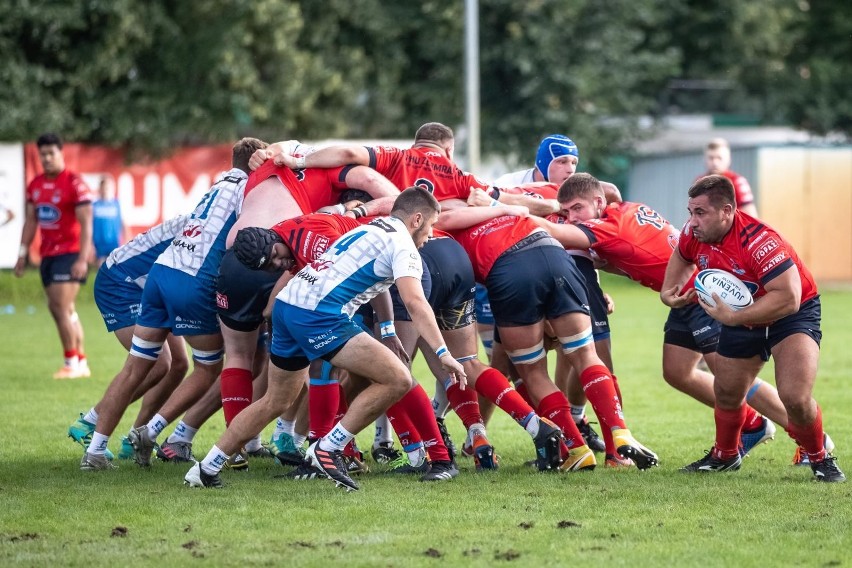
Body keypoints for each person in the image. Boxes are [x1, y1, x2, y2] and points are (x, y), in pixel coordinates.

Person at [185, 187, 467, 491]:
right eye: (429, 226)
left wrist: (387, 331)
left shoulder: (371, 228)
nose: (430, 234)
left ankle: (206, 468)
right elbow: (415, 302)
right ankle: (327, 448)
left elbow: (375, 283)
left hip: (287, 306)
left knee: (275, 400)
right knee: (397, 377)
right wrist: (442, 352)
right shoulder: (404, 247)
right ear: (416, 219)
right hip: (318, 315)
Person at [533, 173, 791, 464]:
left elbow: (551, 232)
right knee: (678, 372)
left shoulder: (608, 226)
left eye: (577, 208)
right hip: (684, 296)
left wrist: (509, 207)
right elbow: (636, 249)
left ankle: (810, 439)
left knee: (733, 377)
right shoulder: (623, 209)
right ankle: (753, 424)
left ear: (598, 202)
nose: (570, 218)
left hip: (701, 294)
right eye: (566, 212)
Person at [78, 137, 267, 471]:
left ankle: (94, 451)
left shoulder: (219, 183)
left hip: (160, 275)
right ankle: (151, 432)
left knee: (145, 365)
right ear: (258, 164)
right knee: (211, 367)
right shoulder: (249, 192)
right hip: (188, 280)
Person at [438, 203, 659, 472]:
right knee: (585, 354)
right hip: (555, 253)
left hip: (509, 269)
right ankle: (619, 430)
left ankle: (576, 448)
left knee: (532, 372)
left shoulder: (443, 230)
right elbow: (604, 191)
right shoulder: (502, 206)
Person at [660, 174, 844, 482]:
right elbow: (682, 254)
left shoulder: (759, 242)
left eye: (700, 212)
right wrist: (670, 290)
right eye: (691, 212)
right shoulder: (695, 234)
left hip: (791, 315)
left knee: (795, 398)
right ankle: (725, 456)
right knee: (727, 391)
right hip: (743, 316)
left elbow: (788, 297)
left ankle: (820, 458)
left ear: (728, 211)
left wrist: (731, 317)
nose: (692, 221)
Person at [68, 214, 191, 461]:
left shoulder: (212, 218)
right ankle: (90, 423)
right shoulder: (212, 225)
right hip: (121, 282)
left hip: (152, 286)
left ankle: (135, 438)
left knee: (179, 364)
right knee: (157, 363)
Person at [15, 133, 93, 379]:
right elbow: (30, 221)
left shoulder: (74, 183)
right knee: (65, 309)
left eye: (51, 153)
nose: (47, 158)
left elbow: (87, 222)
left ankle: (70, 362)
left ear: (61, 154)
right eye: (43, 154)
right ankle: (81, 362)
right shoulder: (35, 185)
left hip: (69, 254)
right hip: (47, 256)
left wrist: (82, 258)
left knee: (59, 307)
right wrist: (22, 253)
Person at [700, 138, 757, 217]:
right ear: (704, 159)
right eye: (711, 158)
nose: (715, 163)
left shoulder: (738, 182)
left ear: (728, 160)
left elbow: (751, 217)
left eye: (719, 158)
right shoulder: (699, 182)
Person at [91, 177, 125, 266]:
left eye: (108, 188)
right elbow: (89, 225)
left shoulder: (117, 204)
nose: (105, 191)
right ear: (100, 189)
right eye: (103, 188)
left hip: (114, 243)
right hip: (99, 244)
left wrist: (125, 241)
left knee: (114, 267)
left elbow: (123, 224)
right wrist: (90, 245)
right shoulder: (94, 206)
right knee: (100, 267)